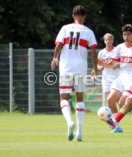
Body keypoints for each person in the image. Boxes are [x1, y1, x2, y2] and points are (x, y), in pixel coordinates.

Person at [51, 5, 98, 141]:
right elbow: (94, 51)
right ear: (84, 16)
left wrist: (55, 57)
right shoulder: (88, 32)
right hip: (81, 68)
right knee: (80, 98)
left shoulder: (65, 28)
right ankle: (80, 131)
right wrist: (95, 68)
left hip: (66, 68)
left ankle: (69, 123)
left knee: (64, 98)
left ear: (73, 16)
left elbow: (59, 45)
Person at [106, 24, 132, 126]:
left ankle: (117, 123)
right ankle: (117, 125)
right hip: (121, 77)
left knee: (122, 103)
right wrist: (104, 64)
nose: (126, 36)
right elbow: (114, 64)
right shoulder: (119, 47)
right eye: (124, 34)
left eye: (128, 34)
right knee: (110, 100)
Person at [97, 33, 119, 107]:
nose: (108, 41)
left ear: (112, 40)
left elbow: (120, 64)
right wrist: (100, 67)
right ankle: (112, 117)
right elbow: (98, 65)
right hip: (106, 79)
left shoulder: (117, 51)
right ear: (104, 41)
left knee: (118, 99)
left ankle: (131, 110)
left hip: (116, 78)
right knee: (109, 99)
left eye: (109, 40)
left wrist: (114, 65)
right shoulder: (101, 53)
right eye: (106, 40)